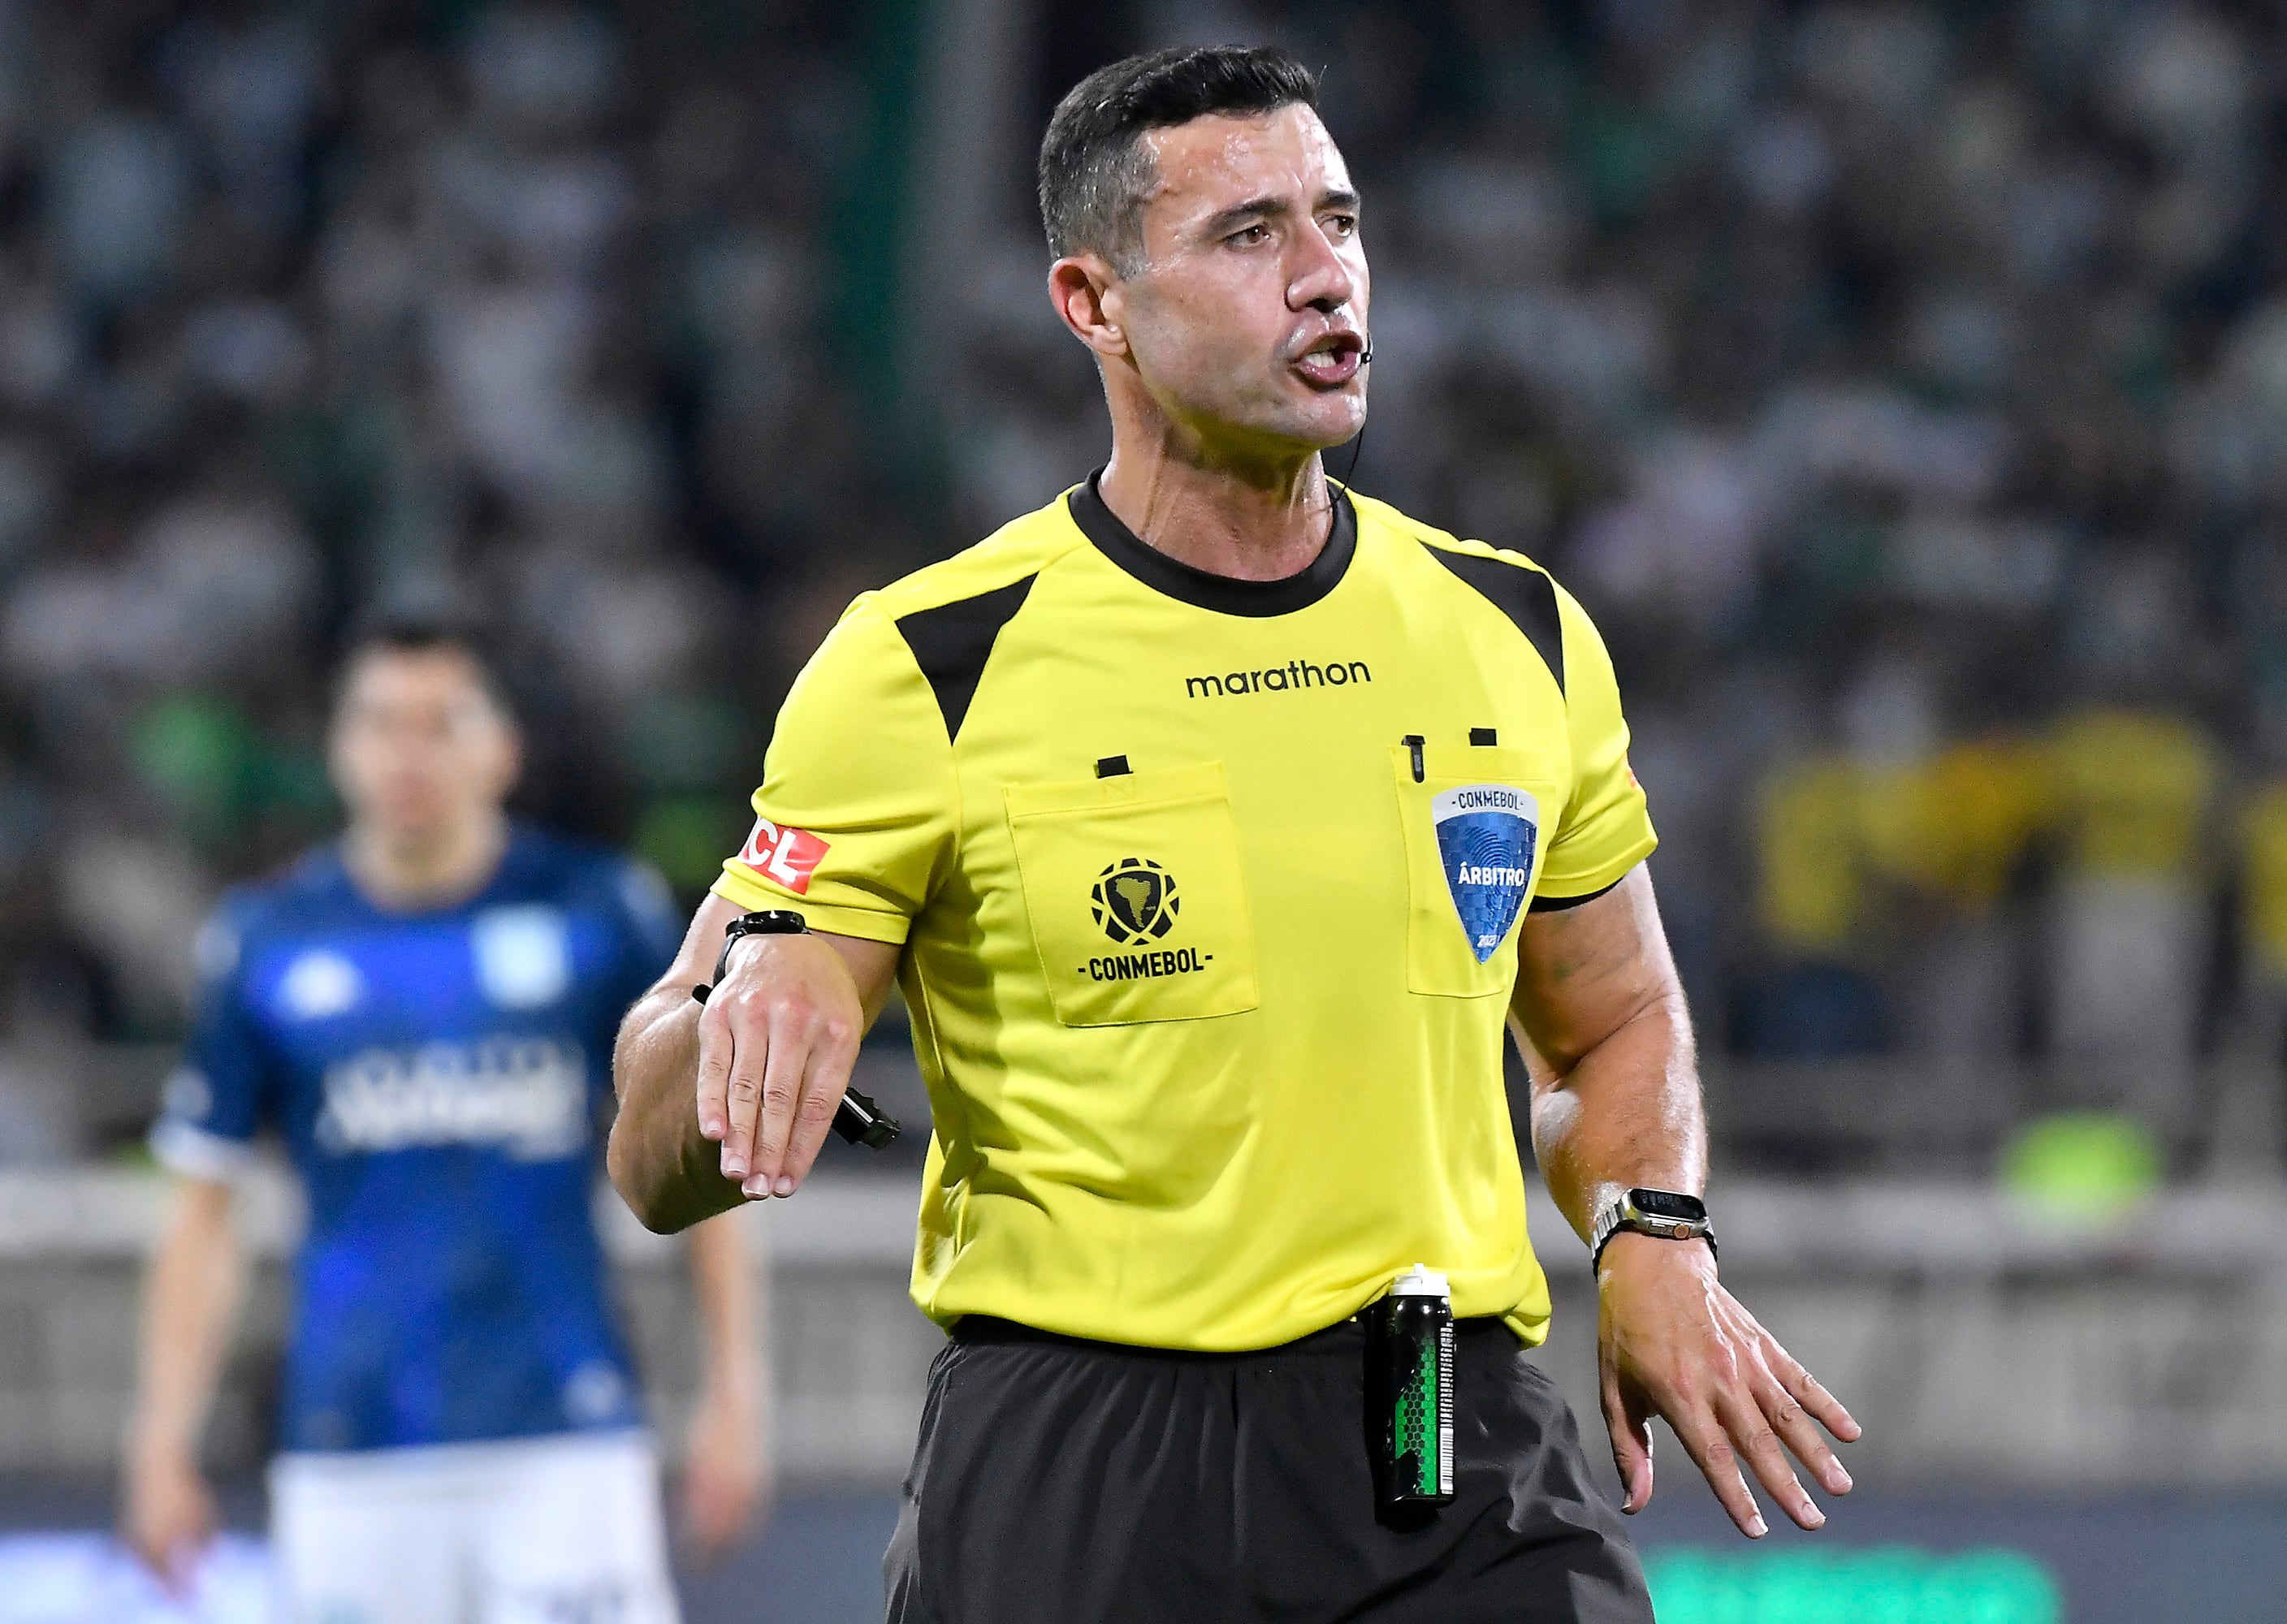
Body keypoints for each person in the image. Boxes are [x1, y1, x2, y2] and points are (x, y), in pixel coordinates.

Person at [608, 45, 1857, 1622]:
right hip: (1086, 1463)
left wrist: (1655, 1233)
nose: (1328, 277)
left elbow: (1615, 1016)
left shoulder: (1514, 630)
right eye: (1249, 236)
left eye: (1339, 220)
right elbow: (651, 1153)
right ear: (1093, 303)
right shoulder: (928, 663)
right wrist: (741, 1020)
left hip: (1454, 1438)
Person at [123, 611, 772, 1623]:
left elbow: (699, 1162)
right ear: (339, 748)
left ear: (502, 748)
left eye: (441, 722)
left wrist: (736, 1388)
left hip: (563, 1436)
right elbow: (205, 1207)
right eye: (381, 722)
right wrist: (162, 1437)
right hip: (348, 1446)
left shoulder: (600, 914)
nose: (408, 752)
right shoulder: (266, 940)